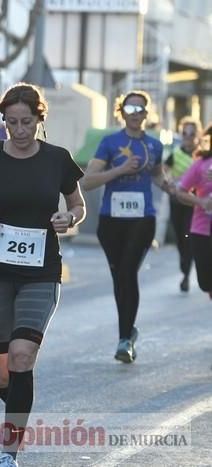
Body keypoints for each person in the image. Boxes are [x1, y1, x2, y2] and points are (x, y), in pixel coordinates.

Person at [0, 83, 85, 467]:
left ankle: (8, 452)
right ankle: (19, 408)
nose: (20, 130)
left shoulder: (58, 159)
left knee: (21, 355)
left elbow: (78, 204)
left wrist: (70, 218)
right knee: (1, 373)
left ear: (39, 119)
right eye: (11, 122)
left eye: (27, 121)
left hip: (40, 271)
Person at [80, 90, 172, 364]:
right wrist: (118, 171)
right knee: (120, 276)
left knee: (128, 271)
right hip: (111, 221)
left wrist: (172, 188)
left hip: (143, 218)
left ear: (147, 113)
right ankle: (128, 331)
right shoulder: (110, 142)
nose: (135, 115)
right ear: (121, 112)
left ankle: (123, 340)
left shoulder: (155, 145)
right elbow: (87, 181)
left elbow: (157, 175)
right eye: (130, 110)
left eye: (140, 110)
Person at [173, 123, 212, 298]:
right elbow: (180, 192)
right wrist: (201, 202)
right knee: (206, 283)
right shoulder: (201, 164)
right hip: (202, 230)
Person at [165, 116, 201, 292]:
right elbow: (164, 173)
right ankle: (184, 266)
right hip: (177, 200)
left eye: (191, 133)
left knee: (189, 237)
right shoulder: (175, 154)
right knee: (181, 238)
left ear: (198, 135)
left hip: (195, 204)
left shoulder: (203, 156)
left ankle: (186, 274)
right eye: (185, 132)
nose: (188, 136)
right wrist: (172, 181)